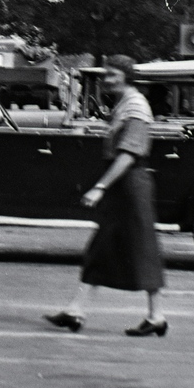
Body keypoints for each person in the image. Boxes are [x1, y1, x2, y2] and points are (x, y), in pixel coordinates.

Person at [44, 56, 167, 338]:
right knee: (102, 249)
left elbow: (128, 154)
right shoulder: (124, 104)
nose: (107, 79)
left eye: (112, 75)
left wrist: (100, 187)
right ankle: (77, 311)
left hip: (131, 185)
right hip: (123, 188)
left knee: (142, 250)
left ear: (125, 76)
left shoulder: (136, 106)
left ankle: (156, 316)